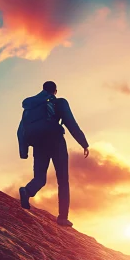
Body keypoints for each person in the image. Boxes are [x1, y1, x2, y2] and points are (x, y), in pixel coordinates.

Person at [18, 81, 89, 227]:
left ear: (43, 89)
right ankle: (63, 218)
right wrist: (84, 143)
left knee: (39, 178)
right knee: (63, 181)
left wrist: (23, 151)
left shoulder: (31, 105)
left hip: (38, 144)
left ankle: (27, 190)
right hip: (56, 142)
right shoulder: (59, 102)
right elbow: (70, 122)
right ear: (55, 91)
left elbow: (21, 130)